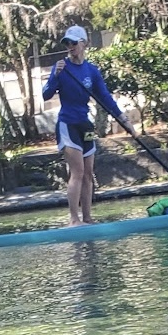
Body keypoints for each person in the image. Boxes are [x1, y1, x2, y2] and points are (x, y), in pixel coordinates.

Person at [42, 25, 128, 227]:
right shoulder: (61, 67)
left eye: (74, 43)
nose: (70, 46)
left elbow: (105, 98)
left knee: (89, 174)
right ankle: (74, 220)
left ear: (84, 44)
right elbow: (46, 94)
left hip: (85, 124)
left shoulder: (92, 71)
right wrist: (55, 76)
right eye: (67, 43)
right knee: (77, 172)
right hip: (67, 124)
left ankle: (88, 218)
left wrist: (123, 120)